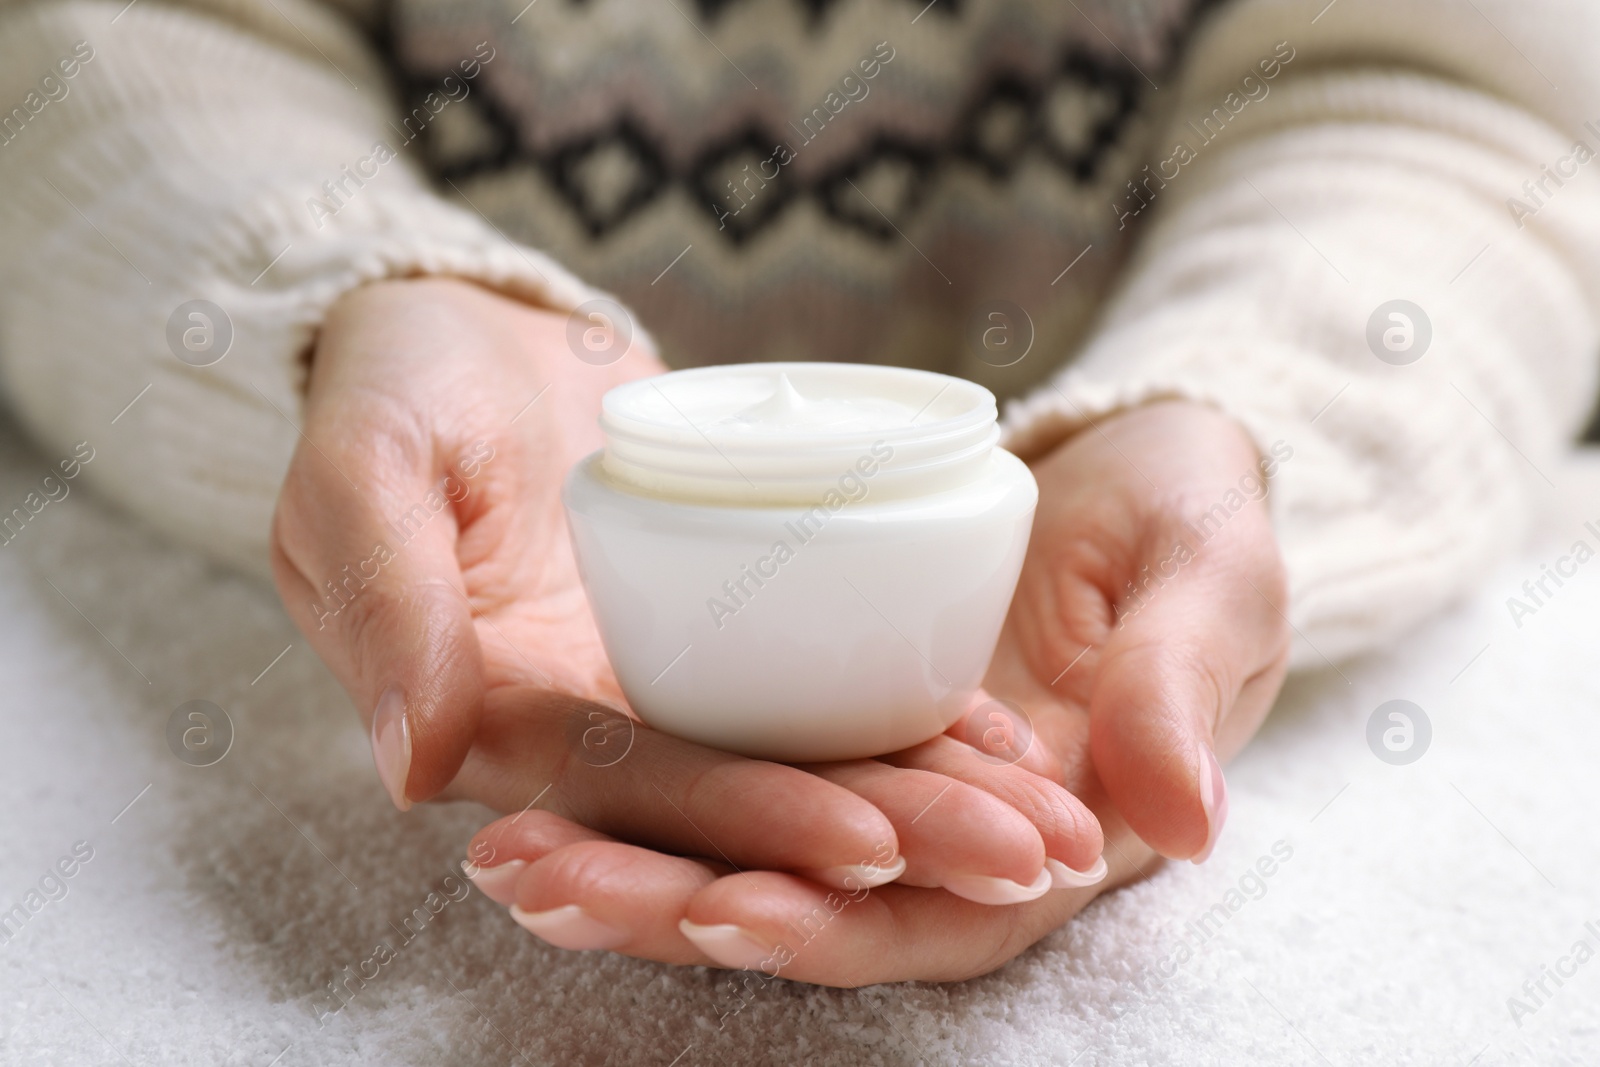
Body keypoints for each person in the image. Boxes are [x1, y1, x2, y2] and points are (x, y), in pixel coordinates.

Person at [1, 0, 1595, 987]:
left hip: (1072, 450)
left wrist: (1239, 411)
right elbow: (98, 42)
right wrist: (345, 298)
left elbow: (1461, 92)